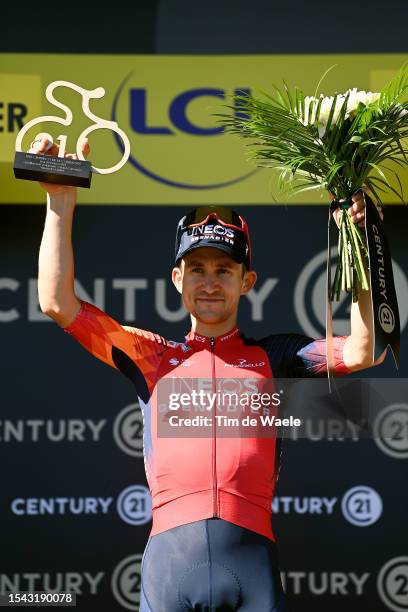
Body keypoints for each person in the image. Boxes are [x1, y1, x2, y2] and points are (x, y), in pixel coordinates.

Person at [32, 136, 385, 611]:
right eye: (196, 268)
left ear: (247, 281)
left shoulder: (277, 356)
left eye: (224, 269)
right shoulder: (150, 356)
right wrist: (60, 200)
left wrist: (359, 244)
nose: (210, 281)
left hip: (253, 565)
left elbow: (367, 348)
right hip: (169, 567)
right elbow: (57, 303)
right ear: (177, 279)